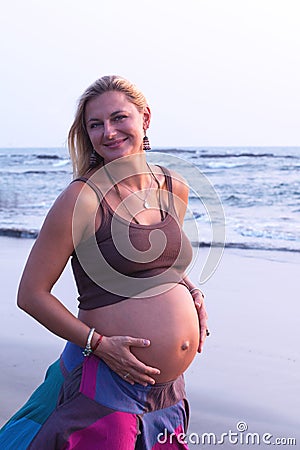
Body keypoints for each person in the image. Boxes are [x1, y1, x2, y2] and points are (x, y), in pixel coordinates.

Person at [0, 75, 209, 449]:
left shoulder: (171, 186)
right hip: (104, 385)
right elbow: (31, 294)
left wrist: (192, 293)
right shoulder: (82, 198)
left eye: (118, 118)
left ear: (144, 118)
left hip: (166, 394)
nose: (108, 132)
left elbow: (164, 265)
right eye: (95, 125)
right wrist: (98, 344)